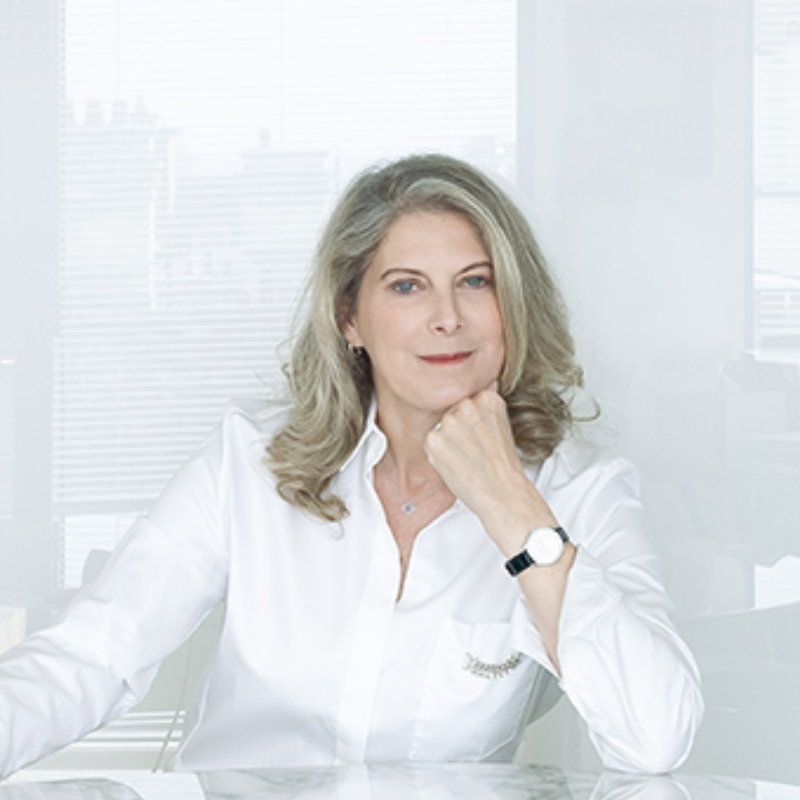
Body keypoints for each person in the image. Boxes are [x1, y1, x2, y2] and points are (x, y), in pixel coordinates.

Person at [0, 154, 703, 779]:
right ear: (349, 317)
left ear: (513, 305)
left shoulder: (582, 489)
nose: (447, 318)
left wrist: (511, 508)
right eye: (406, 287)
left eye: (475, 282)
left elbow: (656, 738)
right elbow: (92, 656)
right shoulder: (247, 461)